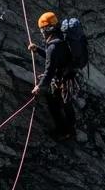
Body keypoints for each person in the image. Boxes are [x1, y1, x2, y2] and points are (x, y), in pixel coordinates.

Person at [29, 12, 77, 141]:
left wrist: (39, 87)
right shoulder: (61, 38)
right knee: (66, 104)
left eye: (41, 29)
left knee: (56, 104)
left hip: (63, 80)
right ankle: (70, 129)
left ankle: (66, 132)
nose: (41, 32)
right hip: (69, 76)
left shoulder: (53, 46)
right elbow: (54, 59)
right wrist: (37, 49)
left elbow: (49, 70)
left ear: (46, 29)